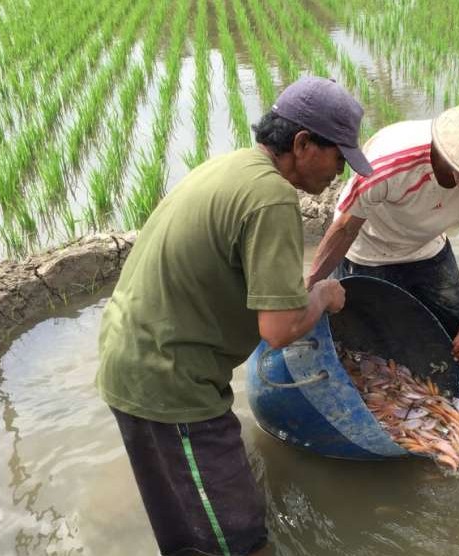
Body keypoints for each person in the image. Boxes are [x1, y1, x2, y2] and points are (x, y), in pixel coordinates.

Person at [96, 77, 373, 556]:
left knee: (191, 529)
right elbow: (279, 329)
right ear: (304, 144)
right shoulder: (272, 199)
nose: (340, 173)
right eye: (338, 158)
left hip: (134, 356)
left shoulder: (231, 166)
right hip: (170, 383)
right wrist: (325, 295)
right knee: (239, 539)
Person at [307, 96, 459, 369]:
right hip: (367, 251)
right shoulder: (390, 160)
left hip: (428, 248)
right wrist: (308, 291)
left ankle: (439, 392)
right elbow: (345, 228)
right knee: (363, 347)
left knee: (452, 334)